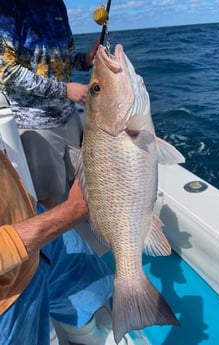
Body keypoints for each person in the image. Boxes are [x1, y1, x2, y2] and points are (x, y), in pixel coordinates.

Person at [0, 147, 135, 345]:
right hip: (8, 295)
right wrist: (71, 211)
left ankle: (86, 337)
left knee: (78, 283)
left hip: (29, 216)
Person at [0, 0, 98, 208]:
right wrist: (65, 90)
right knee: (47, 197)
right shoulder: (8, 7)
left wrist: (86, 59)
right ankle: (60, 239)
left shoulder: (57, 5)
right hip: (35, 123)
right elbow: (6, 72)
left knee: (80, 182)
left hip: (69, 115)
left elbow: (64, 55)